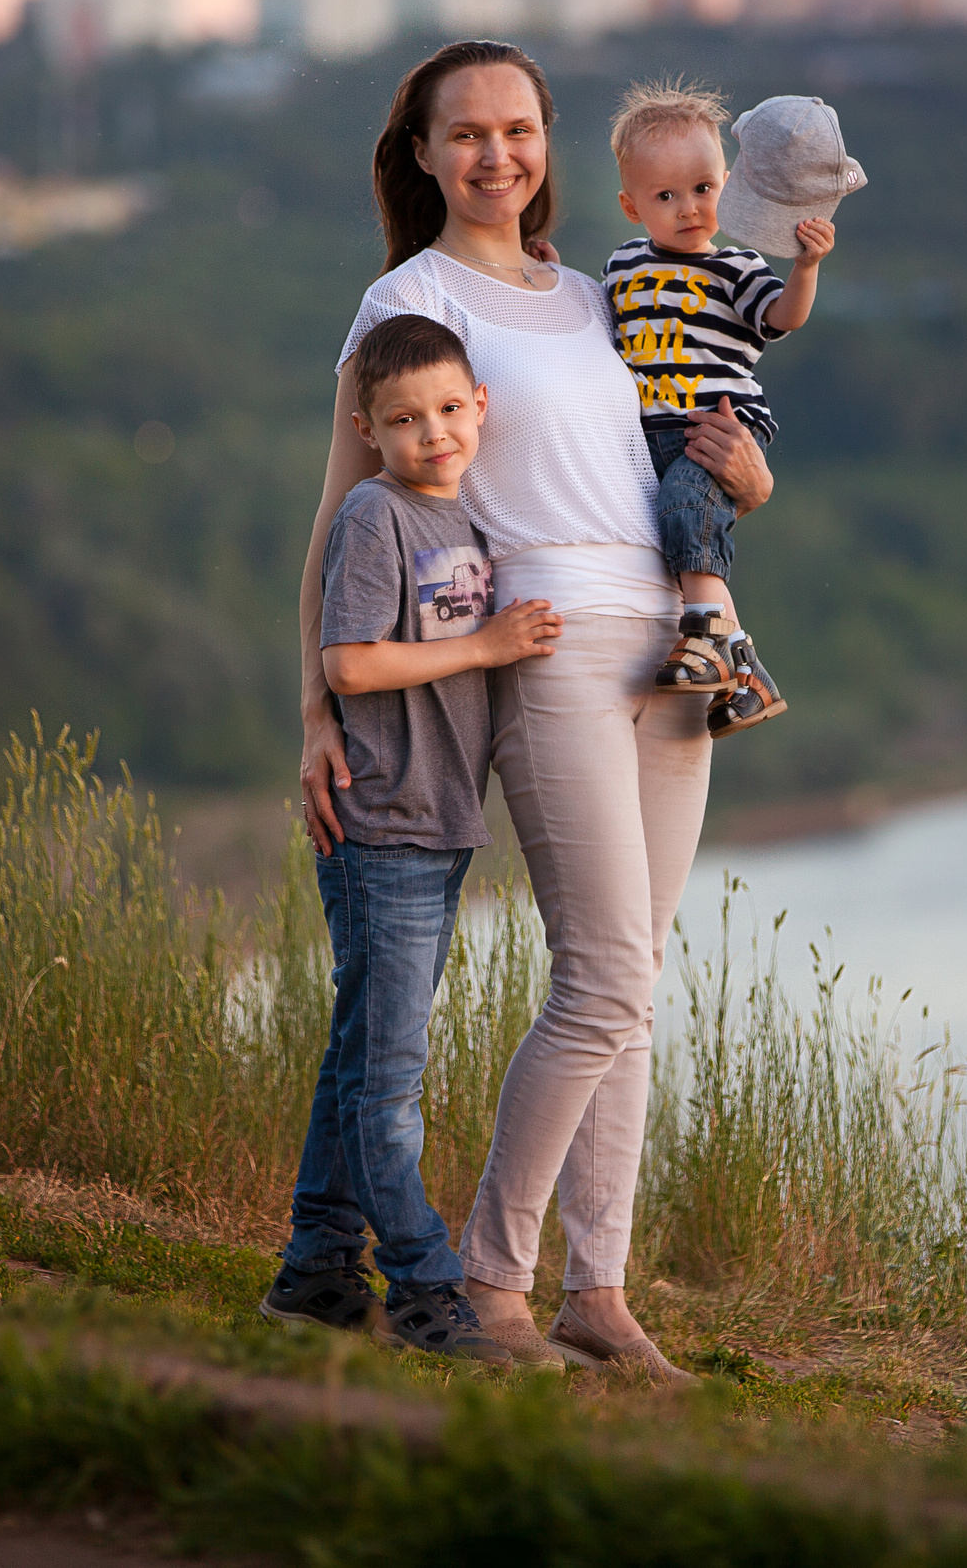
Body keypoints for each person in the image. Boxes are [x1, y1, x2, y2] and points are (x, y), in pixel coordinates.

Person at [296, 40, 774, 1383]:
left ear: (550, 141)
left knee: (642, 977)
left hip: (675, 634)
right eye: (467, 134)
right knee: (606, 970)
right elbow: (344, 515)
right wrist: (315, 713)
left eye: (520, 128)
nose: (496, 154)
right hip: (548, 638)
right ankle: (495, 1281)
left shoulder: (598, 290)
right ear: (425, 154)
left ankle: (599, 1290)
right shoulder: (415, 294)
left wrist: (753, 489)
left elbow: (675, 450)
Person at [263, 312, 560, 1367]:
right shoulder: (375, 515)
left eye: (446, 409)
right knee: (390, 1077)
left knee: (359, 1060)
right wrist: (485, 643)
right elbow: (349, 665)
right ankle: (429, 1287)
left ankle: (314, 1270)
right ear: (368, 428)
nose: (431, 432)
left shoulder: (471, 520)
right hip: (381, 823)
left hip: (440, 827)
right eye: (403, 418)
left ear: (478, 407)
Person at [600, 83, 859, 736]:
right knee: (682, 531)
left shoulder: (735, 268)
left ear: (728, 183)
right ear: (632, 206)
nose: (689, 208)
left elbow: (783, 318)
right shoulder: (622, 266)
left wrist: (805, 266)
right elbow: (588, 319)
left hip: (715, 427)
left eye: (703, 188)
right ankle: (748, 673)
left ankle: (705, 638)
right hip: (648, 434)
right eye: (666, 196)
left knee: (688, 509)